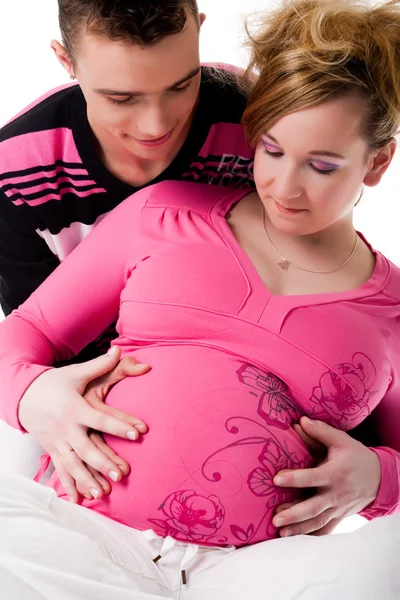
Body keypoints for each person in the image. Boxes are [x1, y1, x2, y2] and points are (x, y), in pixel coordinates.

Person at [0, 0, 400, 598]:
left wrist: (379, 477)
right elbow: (29, 329)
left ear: (378, 161)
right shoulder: (159, 213)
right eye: (268, 150)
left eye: (321, 165)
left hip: (256, 570)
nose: (285, 187)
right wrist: (28, 392)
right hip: (89, 527)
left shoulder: (391, 308)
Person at [0, 0, 255, 499]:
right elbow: (36, 336)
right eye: (121, 97)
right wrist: (34, 397)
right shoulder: (14, 171)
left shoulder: (256, 118)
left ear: (200, 34)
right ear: (66, 61)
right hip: (89, 380)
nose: (156, 125)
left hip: (239, 372)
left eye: (182, 84)